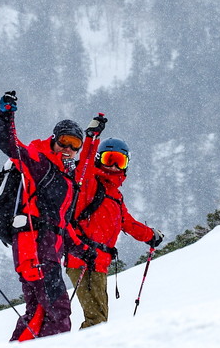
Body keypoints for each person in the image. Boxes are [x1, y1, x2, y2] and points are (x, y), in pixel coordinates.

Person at [0, 91, 87, 341]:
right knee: (58, 311)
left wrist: (81, 249)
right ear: (54, 139)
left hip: (44, 250)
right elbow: (11, 145)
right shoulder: (40, 162)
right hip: (34, 248)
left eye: (75, 145)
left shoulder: (67, 182)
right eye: (64, 141)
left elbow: (61, 225)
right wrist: (6, 115)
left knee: (38, 312)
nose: (67, 149)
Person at [65, 127, 163, 328]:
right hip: (81, 258)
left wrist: (150, 235)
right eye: (109, 159)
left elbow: (128, 223)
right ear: (99, 158)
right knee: (97, 320)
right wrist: (92, 137)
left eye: (119, 161)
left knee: (99, 318)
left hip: (100, 262)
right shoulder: (88, 184)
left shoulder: (116, 197)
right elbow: (84, 164)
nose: (114, 167)